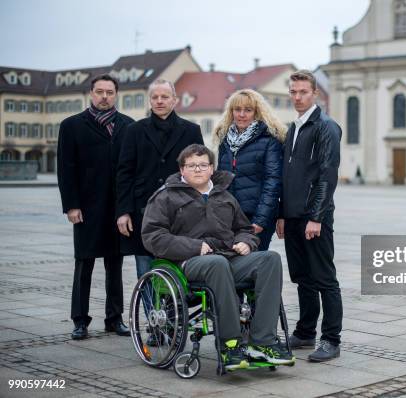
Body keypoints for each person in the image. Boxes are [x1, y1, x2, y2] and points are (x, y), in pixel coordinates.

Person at [141, 144, 294, 369]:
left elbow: (244, 228)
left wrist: (246, 241)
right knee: (217, 263)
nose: (198, 169)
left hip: (226, 257)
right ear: (182, 169)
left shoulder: (224, 196)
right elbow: (153, 236)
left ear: (212, 169)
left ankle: (262, 343)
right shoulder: (165, 197)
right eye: (192, 165)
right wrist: (195, 246)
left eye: (203, 165)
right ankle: (230, 344)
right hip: (185, 263)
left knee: (269, 259)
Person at [57, 74, 134, 340]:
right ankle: (80, 321)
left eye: (109, 92)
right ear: (90, 93)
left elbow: (131, 169)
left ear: (116, 95)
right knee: (84, 264)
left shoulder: (128, 125)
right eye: (99, 92)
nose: (104, 97)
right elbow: (66, 169)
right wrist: (71, 206)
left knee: (116, 264)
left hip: (118, 209)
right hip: (87, 208)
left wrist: (129, 207)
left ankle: (115, 319)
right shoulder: (72, 126)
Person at [276, 70, 343, 362]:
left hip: (314, 218)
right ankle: (305, 333)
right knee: (303, 278)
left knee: (324, 279)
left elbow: (327, 175)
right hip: (292, 217)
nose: (297, 97)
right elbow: (287, 175)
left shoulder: (325, 127)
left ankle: (331, 339)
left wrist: (316, 216)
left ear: (314, 93)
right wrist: (282, 214)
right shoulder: (295, 127)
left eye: (303, 92)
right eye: (293, 92)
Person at [116, 79, 203, 280]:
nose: (159, 101)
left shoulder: (191, 130)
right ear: (150, 101)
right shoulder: (134, 130)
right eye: (155, 97)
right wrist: (123, 212)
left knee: (177, 268)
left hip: (181, 209)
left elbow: (199, 171)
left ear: (175, 100)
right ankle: (151, 313)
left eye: (165, 97)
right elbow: (124, 173)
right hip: (142, 210)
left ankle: (173, 311)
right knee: (145, 268)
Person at [215, 89, 285, 250]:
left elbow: (273, 182)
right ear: (231, 112)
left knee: (253, 265)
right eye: (237, 110)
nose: (242, 114)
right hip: (230, 217)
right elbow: (220, 180)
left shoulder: (269, 140)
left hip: (256, 216)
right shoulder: (225, 140)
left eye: (248, 110)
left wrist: (260, 220)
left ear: (257, 112)